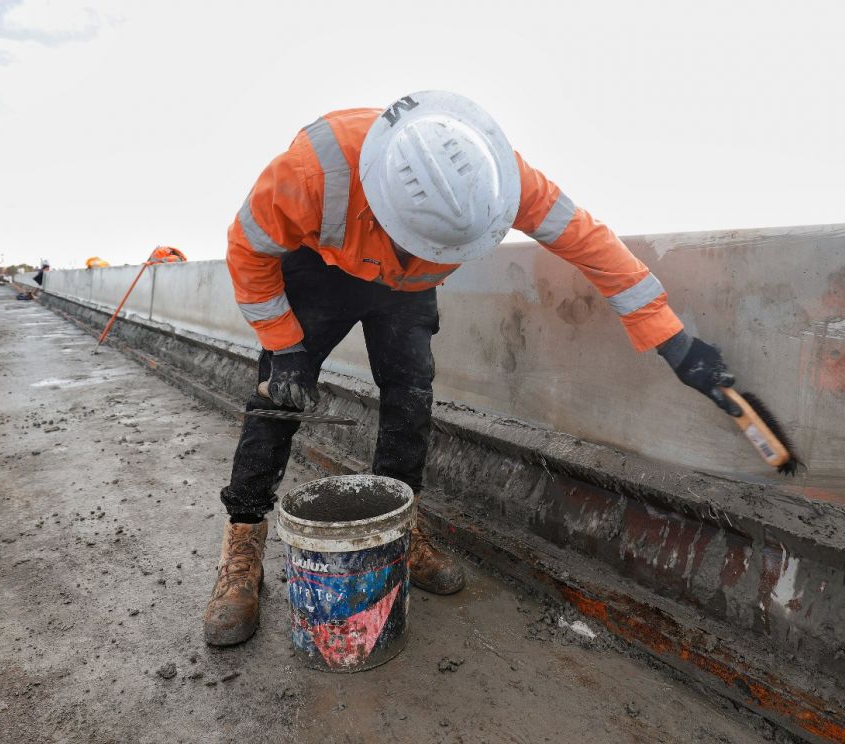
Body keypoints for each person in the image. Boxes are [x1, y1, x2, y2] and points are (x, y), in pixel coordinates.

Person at [203, 91, 740, 646]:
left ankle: (400, 529)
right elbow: (247, 249)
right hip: (323, 270)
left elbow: (585, 239)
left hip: (408, 285)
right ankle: (243, 543)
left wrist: (670, 336)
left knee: (410, 395)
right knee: (277, 396)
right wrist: (283, 343)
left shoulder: (497, 178)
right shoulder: (313, 172)